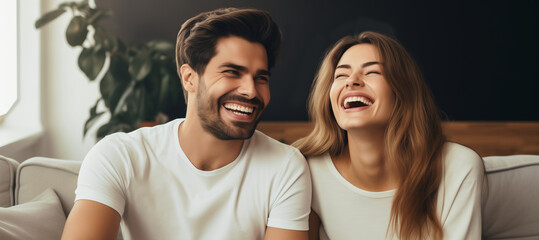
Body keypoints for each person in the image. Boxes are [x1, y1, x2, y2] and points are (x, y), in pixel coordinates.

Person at [62, 8, 311, 240]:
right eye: (232, 72)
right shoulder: (120, 156)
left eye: (261, 77)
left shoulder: (285, 168)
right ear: (189, 78)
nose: (251, 90)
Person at [293, 31, 485, 240]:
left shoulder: (458, 168)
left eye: (372, 72)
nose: (352, 81)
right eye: (341, 75)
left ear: (402, 90)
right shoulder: (305, 170)